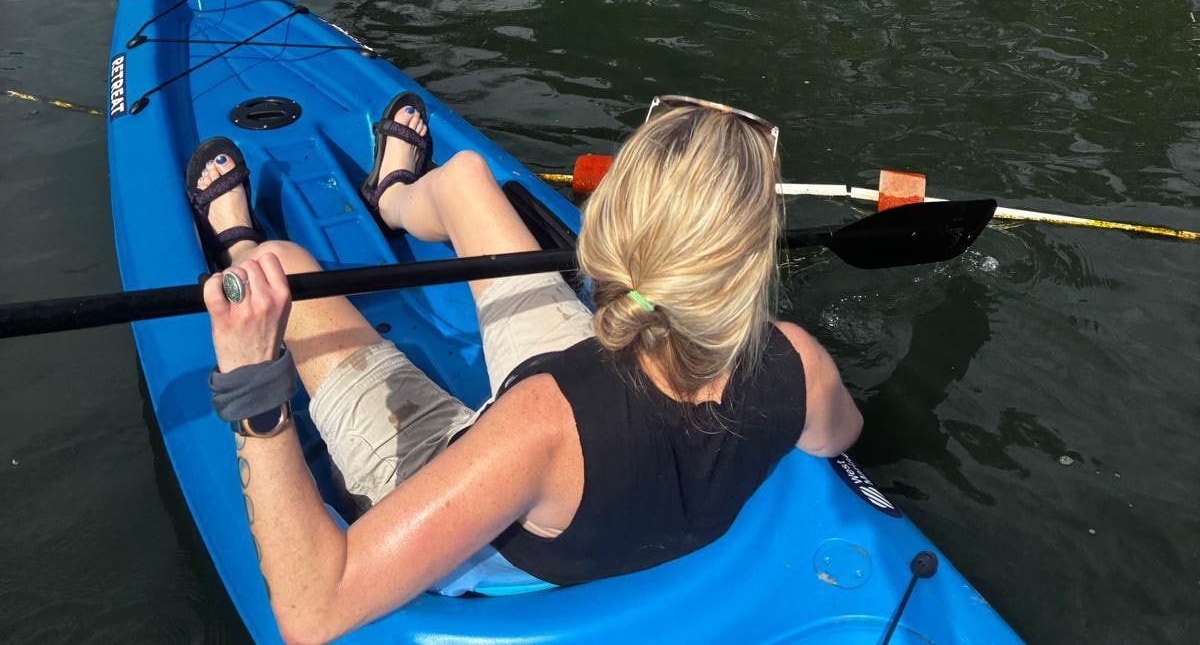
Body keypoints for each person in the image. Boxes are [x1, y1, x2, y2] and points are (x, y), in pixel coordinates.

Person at [187, 95, 862, 642]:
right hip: (590, 400)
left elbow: (312, 610)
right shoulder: (796, 361)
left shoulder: (539, 427)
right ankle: (392, 195)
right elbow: (836, 436)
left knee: (282, 266)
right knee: (467, 179)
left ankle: (241, 242)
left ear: (609, 230)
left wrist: (254, 387)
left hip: (510, 513)